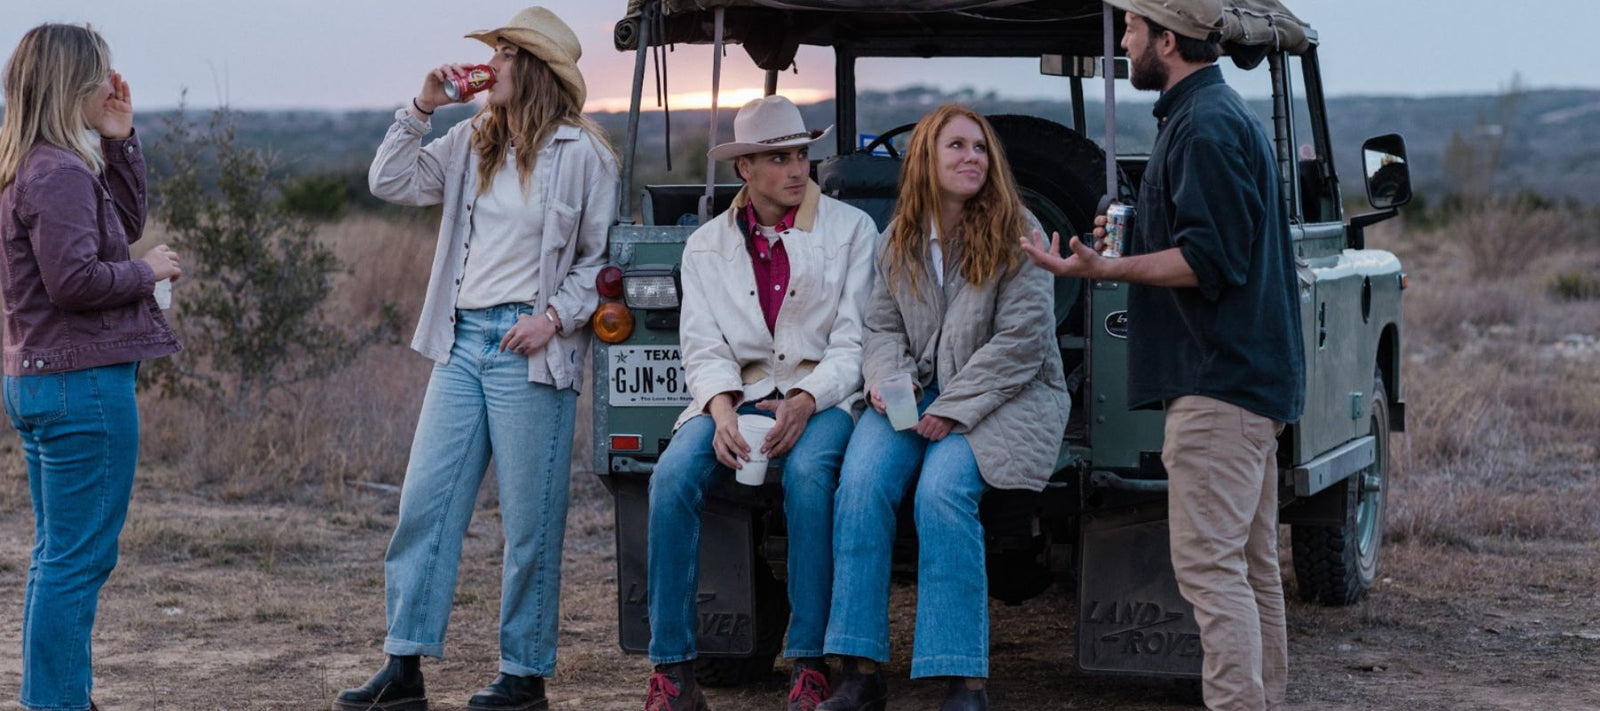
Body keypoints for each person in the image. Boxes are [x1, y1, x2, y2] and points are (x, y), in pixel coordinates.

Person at [1019, 1, 1304, 709]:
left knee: (1211, 571)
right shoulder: (1212, 117)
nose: (1123, 42)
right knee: (1248, 567)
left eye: (1131, 31)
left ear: (1166, 40)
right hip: (1244, 380)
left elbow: (1212, 261)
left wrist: (1104, 271)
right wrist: (1133, 234)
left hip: (1217, 386)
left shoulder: (1204, 128)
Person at [336, 7, 617, 711]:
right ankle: (403, 668)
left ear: (536, 69)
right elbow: (389, 181)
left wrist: (553, 318)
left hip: (531, 352)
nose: (491, 61)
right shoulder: (470, 140)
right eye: (493, 48)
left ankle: (524, 675)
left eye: (505, 52)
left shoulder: (584, 156)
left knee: (530, 522)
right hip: (462, 344)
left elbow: (599, 261)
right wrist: (422, 105)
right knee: (425, 506)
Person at [820, 104, 1068, 711]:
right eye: (956, 147)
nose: (971, 159)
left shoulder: (1020, 232)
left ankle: (963, 681)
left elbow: (1022, 344)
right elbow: (879, 328)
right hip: (918, 392)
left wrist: (953, 410)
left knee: (941, 491)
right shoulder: (900, 234)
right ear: (926, 162)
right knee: (860, 481)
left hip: (1006, 396)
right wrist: (883, 381)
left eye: (980, 149)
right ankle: (858, 671)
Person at [642, 95, 878, 711]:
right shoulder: (705, 246)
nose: (798, 169)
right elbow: (702, 345)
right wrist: (719, 410)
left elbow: (855, 341)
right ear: (746, 168)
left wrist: (805, 399)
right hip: (737, 396)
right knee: (669, 479)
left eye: (801, 155)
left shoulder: (851, 231)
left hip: (821, 396)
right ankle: (672, 672)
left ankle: (808, 662)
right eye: (779, 158)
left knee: (807, 475)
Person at [0, 23, 184, 711]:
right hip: (81, 386)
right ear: (71, 81)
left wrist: (120, 136)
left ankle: (57, 695)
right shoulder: (56, 171)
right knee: (76, 560)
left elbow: (123, 220)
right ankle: (57, 702)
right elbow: (76, 280)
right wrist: (147, 274)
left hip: (41, 379)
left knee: (59, 556)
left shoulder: (36, 164)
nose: (111, 84)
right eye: (101, 74)